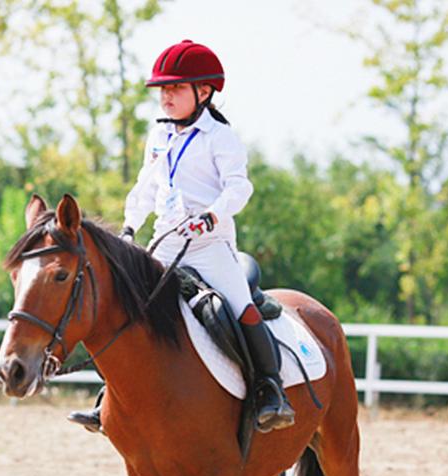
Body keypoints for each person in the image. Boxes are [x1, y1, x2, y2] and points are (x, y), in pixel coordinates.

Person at [68, 39, 295, 434]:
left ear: (203, 92)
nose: (165, 97)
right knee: (131, 312)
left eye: (175, 88)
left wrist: (211, 216)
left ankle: (270, 390)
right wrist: (128, 227)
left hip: (210, 246)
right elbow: (144, 188)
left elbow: (240, 188)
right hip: (165, 243)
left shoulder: (220, 137)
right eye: (163, 90)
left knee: (240, 305)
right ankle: (110, 396)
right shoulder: (159, 137)